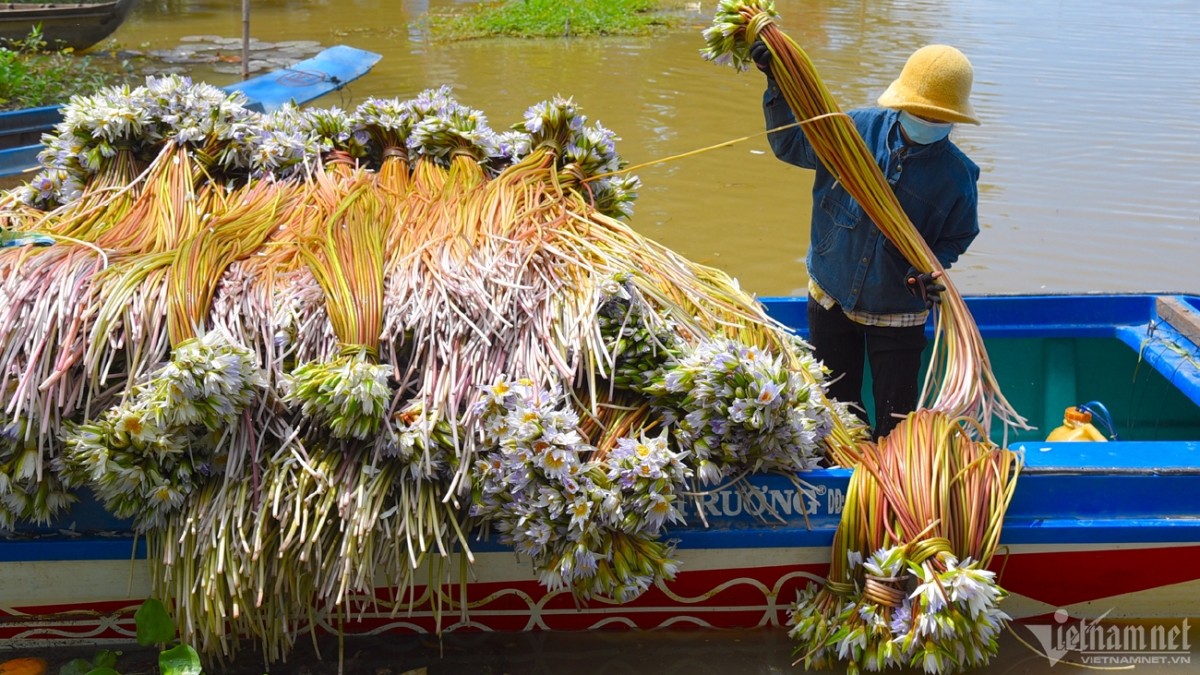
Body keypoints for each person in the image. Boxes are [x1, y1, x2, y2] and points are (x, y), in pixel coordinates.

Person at [750, 42, 982, 440]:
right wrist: (777, 81)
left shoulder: (958, 175)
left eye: (937, 116)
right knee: (837, 414)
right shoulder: (853, 130)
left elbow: (959, 235)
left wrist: (928, 268)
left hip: (898, 311)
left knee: (895, 425)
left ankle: (887, 486)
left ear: (953, 118)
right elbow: (790, 145)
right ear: (902, 102)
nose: (926, 120)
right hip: (831, 295)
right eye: (920, 111)